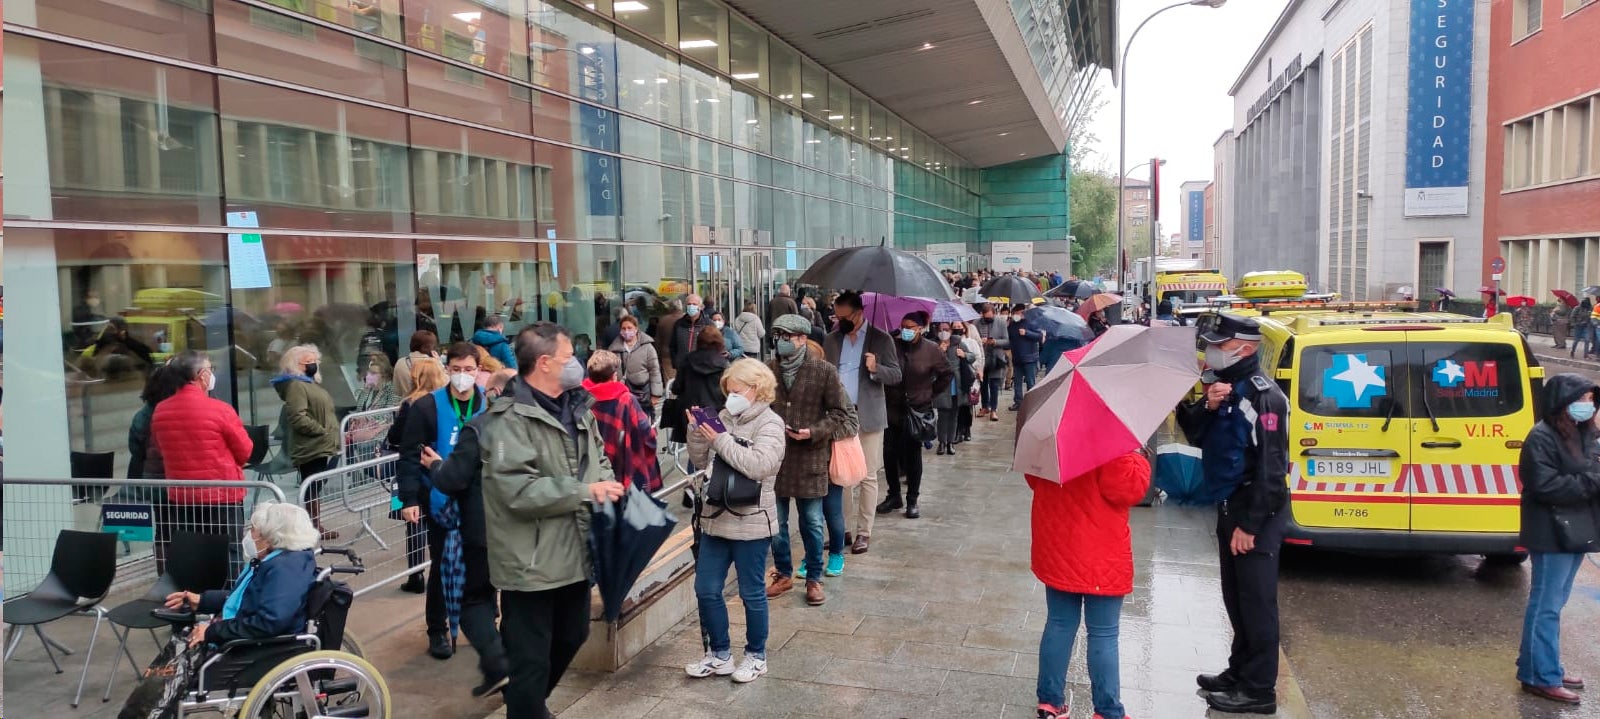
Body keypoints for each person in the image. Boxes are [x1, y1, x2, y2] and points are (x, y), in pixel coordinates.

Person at [421, 322, 624, 717]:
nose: (576, 364)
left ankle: (526, 705)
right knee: (529, 661)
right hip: (530, 563)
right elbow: (516, 491)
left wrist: (607, 485)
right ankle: (527, 708)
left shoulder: (578, 408)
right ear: (545, 363)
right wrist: (585, 491)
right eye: (569, 357)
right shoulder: (506, 421)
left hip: (576, 552)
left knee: (573, 634)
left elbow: (598, 458)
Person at [1175, 313, 1291, 715]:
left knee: (1257, 604)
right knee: (1236, 600)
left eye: (1219, 346)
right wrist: (1207, 405)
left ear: (1245, 348)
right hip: (1228, 505)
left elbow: (1273, 470)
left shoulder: (1263, 397)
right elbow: (1194, 433)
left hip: (1253, 510)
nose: (1212, 352)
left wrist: (1251, 525)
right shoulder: (1225, 389)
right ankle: (1239, 672)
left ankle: (1259, 690)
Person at [684, 358, 786, 684]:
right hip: (716, 518)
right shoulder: (724, 417)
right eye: (728, 391)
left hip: (752, 520)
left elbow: (758, 466)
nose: (731, 397)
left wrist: (720, 439)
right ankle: (719, 653)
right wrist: (698, 432)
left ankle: (756, 656)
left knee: (751, 593)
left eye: (737, 391)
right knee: (706, 588)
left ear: (756, 389)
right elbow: (701, 459)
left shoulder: (770, 424)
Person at [1030, 449, 1151, 719]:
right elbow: (1128, 489)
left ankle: (1049, 703)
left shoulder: (1053, 436)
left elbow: (1033, 477)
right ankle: (1108, 711)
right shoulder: (1112, 441)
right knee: (1103, 633)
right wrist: (1137, 456)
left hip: (1058, 546)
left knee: (1059, 624)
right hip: (1101, 553)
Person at [397, 342, 490, 662]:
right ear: (447, 369)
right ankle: (437, 629)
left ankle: (484, 622)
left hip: (480, 498)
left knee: (483, 563)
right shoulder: (426, 407)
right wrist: (408, 499)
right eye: (457, 369)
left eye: (469, 369)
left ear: (479, 371)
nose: (463, 375)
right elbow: (409, 456)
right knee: (441, 564)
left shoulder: (489, 404)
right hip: (439, 499)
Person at [1514, 373, 1600, 705]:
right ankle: (1541, 677)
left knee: (1554, 603)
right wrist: (1593, 481)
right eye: (1581, 399)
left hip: (1575, 529)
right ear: (1562, 402)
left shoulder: (1581, 432)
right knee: (1546, 606)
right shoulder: (1541, 437)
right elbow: (1545, 485)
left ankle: (1539, 666)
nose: (1587, 405)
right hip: (1551, 530)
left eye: (1590, 399)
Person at [764, 315, 858, 604]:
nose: (781, 341)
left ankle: (814, 578)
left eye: (787, 336)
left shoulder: (823, 371)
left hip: (811, 456)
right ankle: (783, 574)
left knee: (812, 522)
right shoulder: (769, 369)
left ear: (802, 339)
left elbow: (840, 413)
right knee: (776, 523)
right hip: (776, 458)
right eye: (778, 335)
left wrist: (813, 432)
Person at [153, 350, 254, 579]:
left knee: (193, 552)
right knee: (229, 552)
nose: (212, 374)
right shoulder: (220, 409)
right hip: (223, 495)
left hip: (182, 497)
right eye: (210, 369)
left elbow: (161, 450)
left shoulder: (161, 410)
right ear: (202, 375)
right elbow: (245, 451)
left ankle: (195, 594)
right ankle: (229, 597)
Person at [162, 503, 319, 647]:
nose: (249, 535)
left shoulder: (284, 569)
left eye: (253, 530)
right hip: (251, 637)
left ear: (270, 538)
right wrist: (202, 600)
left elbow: (269, 622)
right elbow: (247, 598)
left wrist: (212, 632)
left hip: (259, 649)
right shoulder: (284, 563)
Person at [824, 291, 902, 554]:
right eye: (837, 316)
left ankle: (864, 532)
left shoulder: (881, 339)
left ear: (859, 313)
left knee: (868, 475)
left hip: (868, 415)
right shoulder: (832, 339)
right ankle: (842, 529)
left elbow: (896, 375)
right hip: (839, 416)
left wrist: (876, 368)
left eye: (844, 316)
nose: (840, 321)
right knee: (840, 475)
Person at [879, 311, 951, 520]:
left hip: (917, 410)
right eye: (903, 327)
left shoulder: (931, 349)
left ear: (920, 328)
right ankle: (894, 495)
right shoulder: (892, 345)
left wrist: (929, 393)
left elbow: (946, 374)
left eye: (910, 327)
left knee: (912, 455)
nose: (905, 331)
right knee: (890, 454)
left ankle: (912, 499)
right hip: (892, 408)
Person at [388, 359, 449, 595]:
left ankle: (416, 574)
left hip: (413, 474)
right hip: (438, 472)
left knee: (412, 523)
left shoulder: (410, 403)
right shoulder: (444, 403)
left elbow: (395, 437)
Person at [272, 345, 341, 540]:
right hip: (311, 445)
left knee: (314, 486)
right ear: (296, 365)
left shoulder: (309, 384)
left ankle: (313, 526)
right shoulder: (297, 386)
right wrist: (320, 430)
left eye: (314, 361)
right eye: (308, 362)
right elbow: (297, 417)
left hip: (320, 444)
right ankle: (312, 526)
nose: (313, 364)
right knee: (311, 486)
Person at [582, 350, 664, 493]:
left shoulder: (582, 397)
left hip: (595, 463)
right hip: (624, 462)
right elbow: (645, 433)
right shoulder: (625, 399)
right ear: (614, 376)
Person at [667, 325, 731, 446]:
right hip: (716, 413)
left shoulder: (687, 360)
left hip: (689, 413)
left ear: (699, 341)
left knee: (694, 445)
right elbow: (728, 391)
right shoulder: (724, 364)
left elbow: (677, 388)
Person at [609, 314, 664, 420]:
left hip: (642, 394)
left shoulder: (647, 348)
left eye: (629, 328)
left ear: (636, 329)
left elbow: (654, 370)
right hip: (622, 394)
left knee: (642, 422)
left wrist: (655, 394)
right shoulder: (614, 349)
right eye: (624, 328)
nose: (626, 331)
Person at [933, 322, 976, 456]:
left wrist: (964, 355)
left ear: (951, 331)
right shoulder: (934, 345)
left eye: (946, 329)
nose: (944, 332)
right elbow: (929, 364)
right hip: (942, 385)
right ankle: (942, 442)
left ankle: (950, 442)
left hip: (957, 386)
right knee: (942, 415)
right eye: (941, 329)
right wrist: (940, 352)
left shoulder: (958, 343)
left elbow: (972, 357)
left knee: (954, 415)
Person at [973, 304, 1010, 422]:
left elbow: (1006, 341)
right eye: (986, 317)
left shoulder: (1001, 323)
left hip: (996, 358)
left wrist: (995, 342)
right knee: (983, 384)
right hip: (982, 357)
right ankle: (985, 407)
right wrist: (980, 341)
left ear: (994, 314)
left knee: (994, 385)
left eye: (990, 317)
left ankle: (994, 409)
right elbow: (973, 339)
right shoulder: (976, 323)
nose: (988, 319)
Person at [953, 322, 983, 443]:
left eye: (959, 327)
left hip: (969, 376)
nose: (957, 329)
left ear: (964, 329)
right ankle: (958, 430)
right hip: (956, 378)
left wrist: (966, 359)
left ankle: (967, 428)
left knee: (967, 405)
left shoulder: (971, 342)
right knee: (958, 406)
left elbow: (978, 357)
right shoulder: (951, 343)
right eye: (954, 327)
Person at [1009, 304, 1044, 411]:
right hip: (1017, 358)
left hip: (1030, 358)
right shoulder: (1012, 324)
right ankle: (1018, 402)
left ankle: (1030, 403)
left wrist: (1027, 333)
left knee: (1030, 382)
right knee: (1017, 382)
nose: (1015, 315)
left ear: (1023, 313)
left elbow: (1039, 336)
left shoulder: (1032, 322)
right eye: (1014, 313)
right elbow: (1009, 338)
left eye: (1017, 313)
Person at [670, 294, 716, 371]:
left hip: (702, 369)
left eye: (694, 304)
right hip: (683, 368)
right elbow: (673, 346)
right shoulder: (679, 324)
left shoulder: (708, 324)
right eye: (689, 304)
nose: (691, 306)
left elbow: (715, 346)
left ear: (700, 307)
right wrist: (676, 362)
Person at [394, 330, 441, 397]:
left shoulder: (400, 363)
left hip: (406, 401)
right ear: (431, 348)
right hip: (428, 402)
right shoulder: (433, 365)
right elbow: (444, 387)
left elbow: (397, 391)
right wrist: (439, 363)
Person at [654, 299, 686, 380]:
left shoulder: (663, 321)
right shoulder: (687, 319)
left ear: (670, 308)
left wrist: (657, 357)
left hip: (667, 357)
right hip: (684, 356)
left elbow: (658, 341)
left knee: (670, 382)